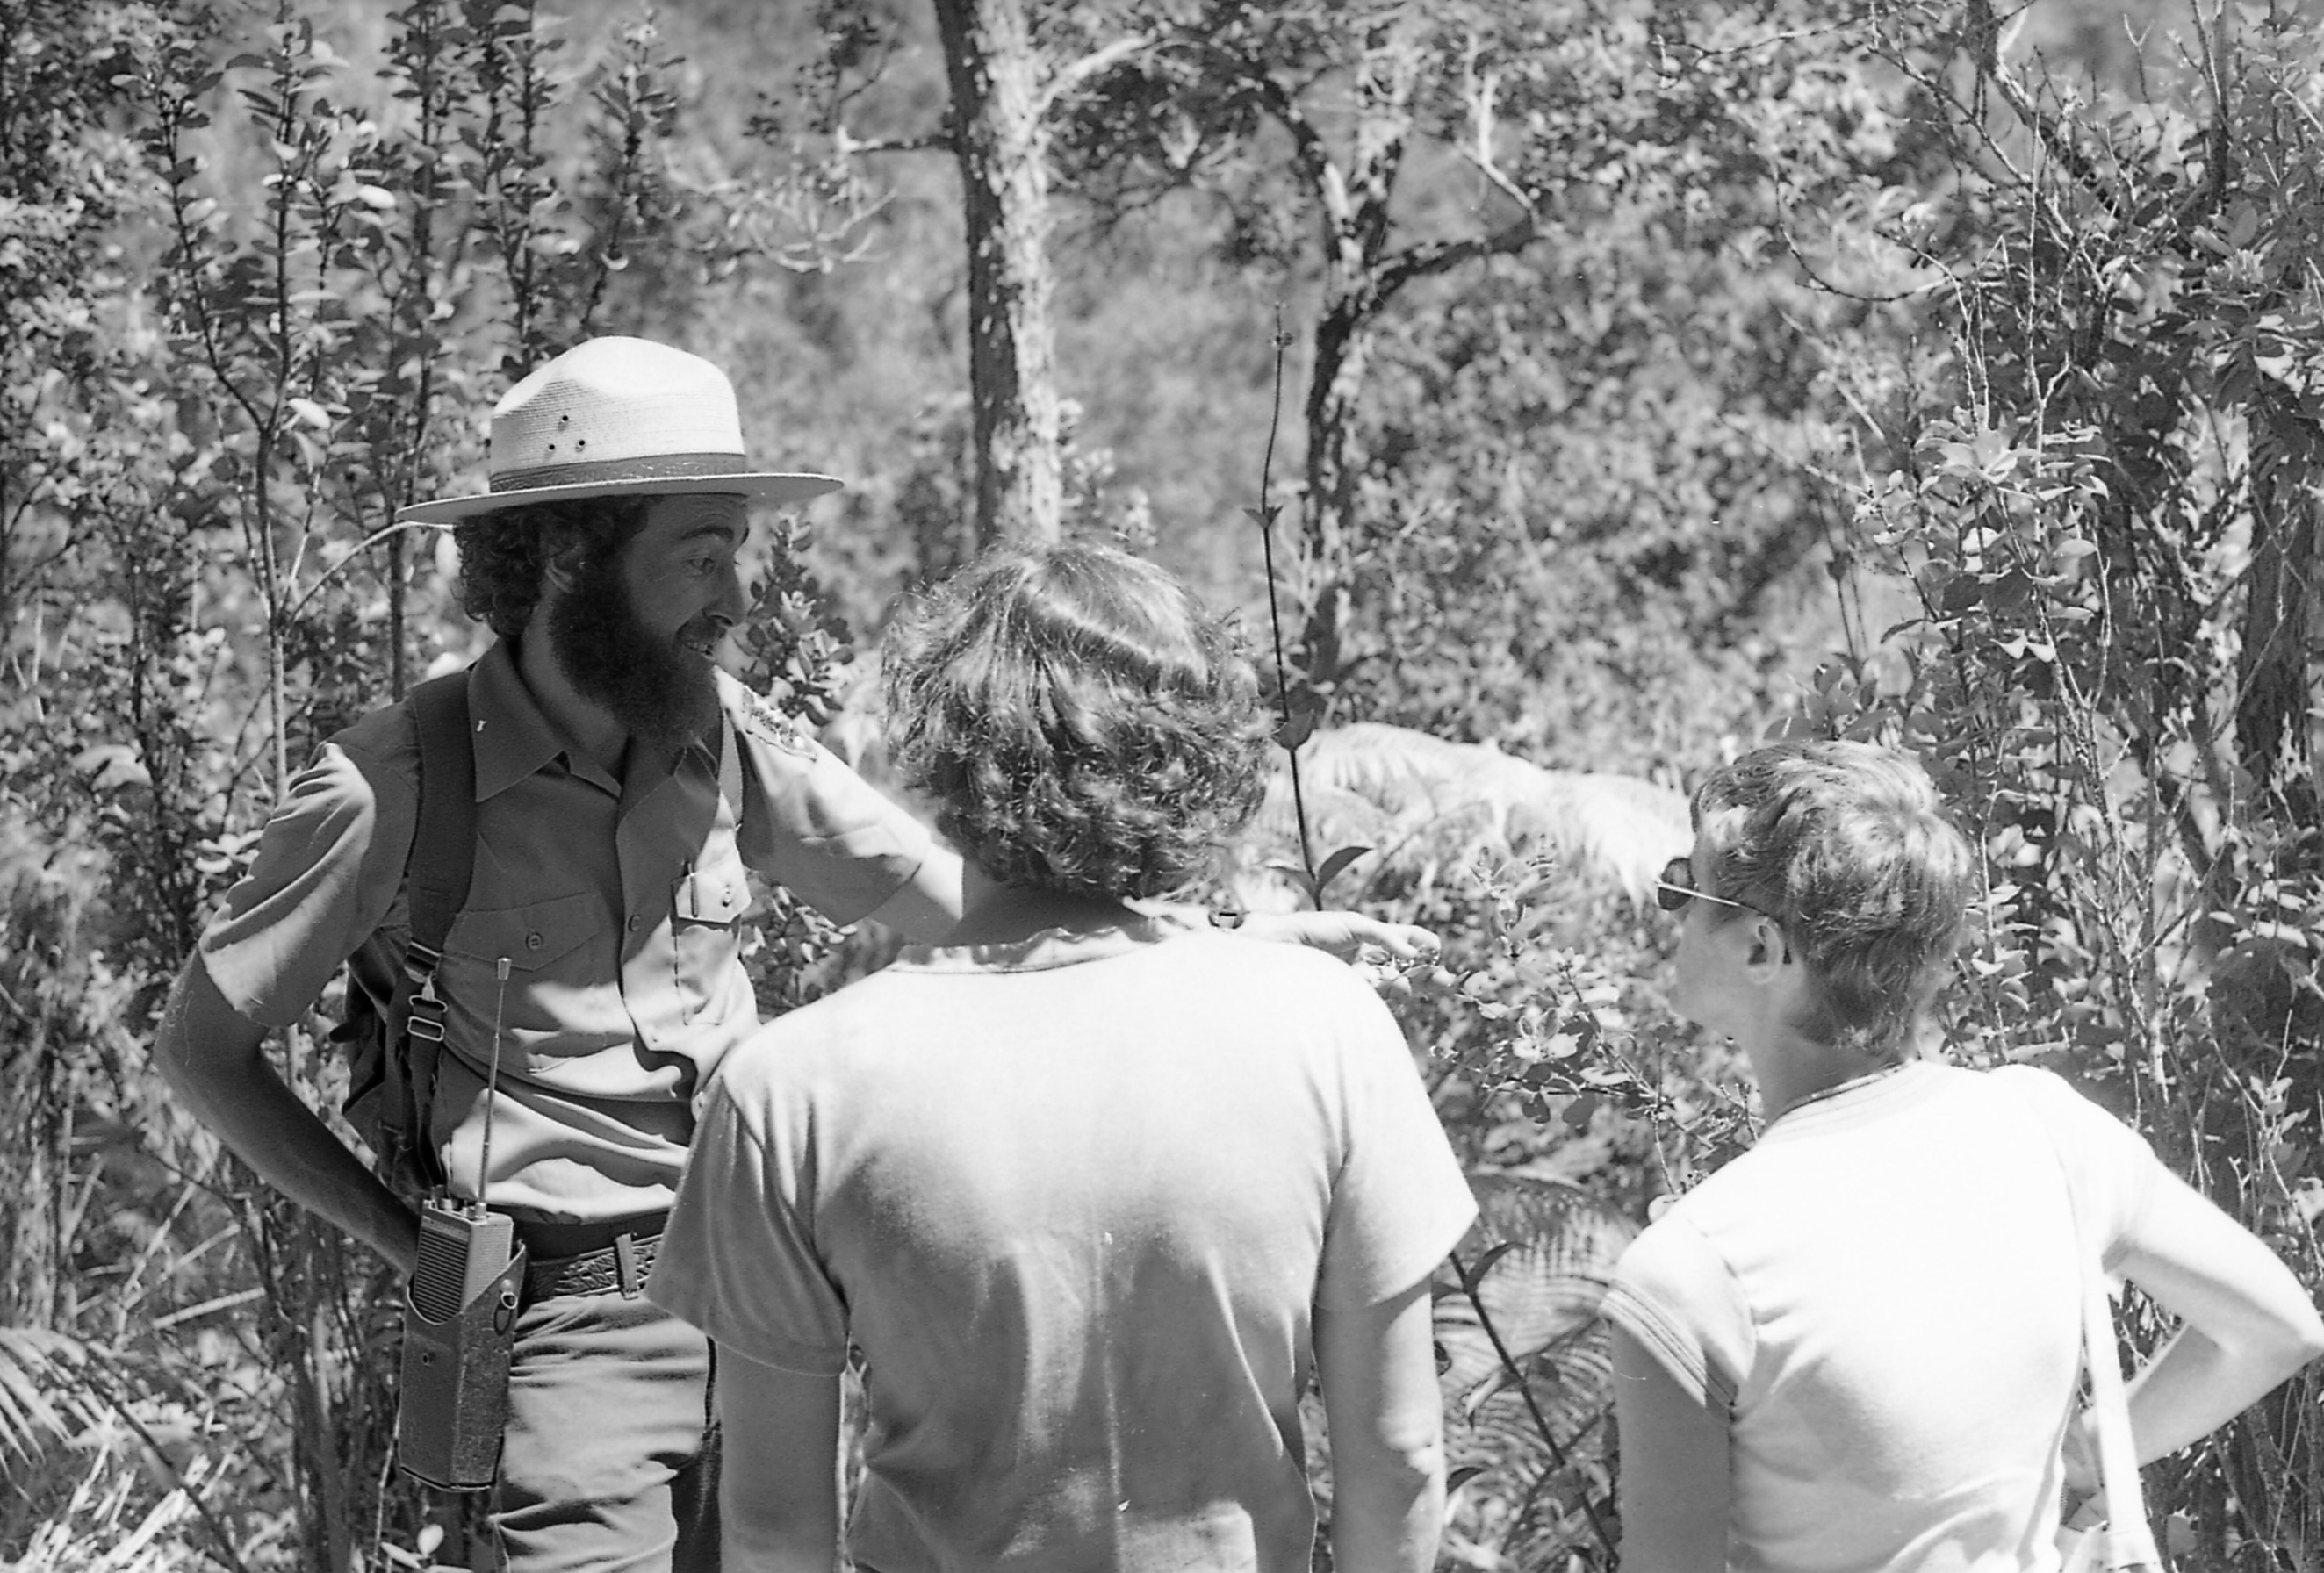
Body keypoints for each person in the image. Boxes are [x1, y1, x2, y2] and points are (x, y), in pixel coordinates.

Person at [150, 337, 1434, 1573]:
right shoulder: (390, 788)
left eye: (739, 551)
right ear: (558, 558)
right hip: (565, 1325)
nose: (741, 596)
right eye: (703, 555)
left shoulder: (721, 737)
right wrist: (400, 1242)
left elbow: (959, 895)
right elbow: (203, 1051)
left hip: (781, 1303)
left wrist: (1222, 946)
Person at [645, 542, 1479, 1573]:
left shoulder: (793, 1086)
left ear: (940, 751)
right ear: (1193, 755)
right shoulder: (1325, 1027)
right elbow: (1397, 1456)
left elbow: (775, 1526)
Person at [1603, 740, 2324, 1573]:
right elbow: (2275, 1326)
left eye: (1678, 889)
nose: (1668, 914)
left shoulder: (1693, 1271)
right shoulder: (2048, 1131)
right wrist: (2083, 1457)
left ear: (1763, 949)